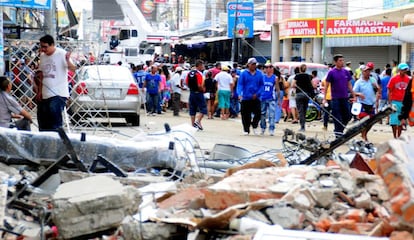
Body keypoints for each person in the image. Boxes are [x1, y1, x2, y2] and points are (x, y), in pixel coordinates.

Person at [37, 34, 76, 131]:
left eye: (45, 47)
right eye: (41, 46)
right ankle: (45, 138)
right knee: (43, 118)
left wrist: (67, 60)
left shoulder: (62, 54)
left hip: (58, 93)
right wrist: (39, 91)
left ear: (52, 45)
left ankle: (57, 136)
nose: (43, 49)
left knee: (54, 114)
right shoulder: (42, 56)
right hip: (45, 93)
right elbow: (41, 74)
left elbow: (73, 69)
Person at [323, 54, 355, 137]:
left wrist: (353, 95)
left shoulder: (346, 72)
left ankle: (339, 130)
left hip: (345, 97)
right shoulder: (331, 72)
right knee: (337, 116)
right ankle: (338, 133)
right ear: (335, 62)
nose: (342, 62)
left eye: (342, 60)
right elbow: (326, 86)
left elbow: (349, 84)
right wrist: (325, 98)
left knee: (348, 115)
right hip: (335, 98)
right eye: (340, 60)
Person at [236, 57, 264, 135]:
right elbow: (240, 84)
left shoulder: (259, 74)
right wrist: (240, 94)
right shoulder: (244, 73)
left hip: (256, 96)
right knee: (245, 114)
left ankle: (254, 125)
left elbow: (262, 85)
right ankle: (246, 129)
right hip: (246, 97)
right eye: (252, 64)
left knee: (258, 113)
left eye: (255, 64)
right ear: (248, 65)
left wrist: (258, 93)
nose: (254, 66)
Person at [353, 64, 378, 141]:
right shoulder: (359, 82)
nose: (368, 72)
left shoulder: (373, 80)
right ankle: (364, 136)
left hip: (371, 104)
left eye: (369, 71)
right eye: (366, 71)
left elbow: (377, 90)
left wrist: (376, 88)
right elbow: (353, 92)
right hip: (362, 104)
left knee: (371, 122)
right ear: (362, 72)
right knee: (364, 121)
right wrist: (359, 94)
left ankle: (364, 134)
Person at [388, 63, 410, 138]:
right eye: (403, 69)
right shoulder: (393, 79)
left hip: (404, 103)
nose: (404, 71)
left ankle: (399, 136)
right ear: (399, 70)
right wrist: (390, 102)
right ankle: (395, 136)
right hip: (395, 101)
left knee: (401, 121)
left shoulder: (408, 79)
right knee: (394, 121)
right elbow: (390, 90)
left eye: (405, 69)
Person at [291, 64, 314, 132]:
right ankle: (303, 124)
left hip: (299, 95)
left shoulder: (297, 76)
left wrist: (296, 85)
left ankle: (302, 126)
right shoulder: (308, 76)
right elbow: (312, 85)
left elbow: (292, 85)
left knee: (300, 111)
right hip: (306, 95)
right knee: (304, 110)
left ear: (300, 69)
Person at [186, 59, 207, 130]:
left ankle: (193, 125)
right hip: (198, 93)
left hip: (192, 92)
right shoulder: (199, 74)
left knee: (192, 109)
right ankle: (198, 121)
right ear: (200, 65)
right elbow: (199, 85)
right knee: (203, 108)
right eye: (202, 65)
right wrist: (202, 89)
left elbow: (186, 83)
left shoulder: (189, 73)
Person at [259, 63, 279, 136]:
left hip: (271, 98)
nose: (268, 69)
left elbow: (277, 89)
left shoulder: (275, 78)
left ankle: (271, 128)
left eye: (270, 67)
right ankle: (263, 127)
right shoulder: (262, 77)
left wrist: (279, 99)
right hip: (263, 97)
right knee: (262, 114)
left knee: (271, 114)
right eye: (266, 67)